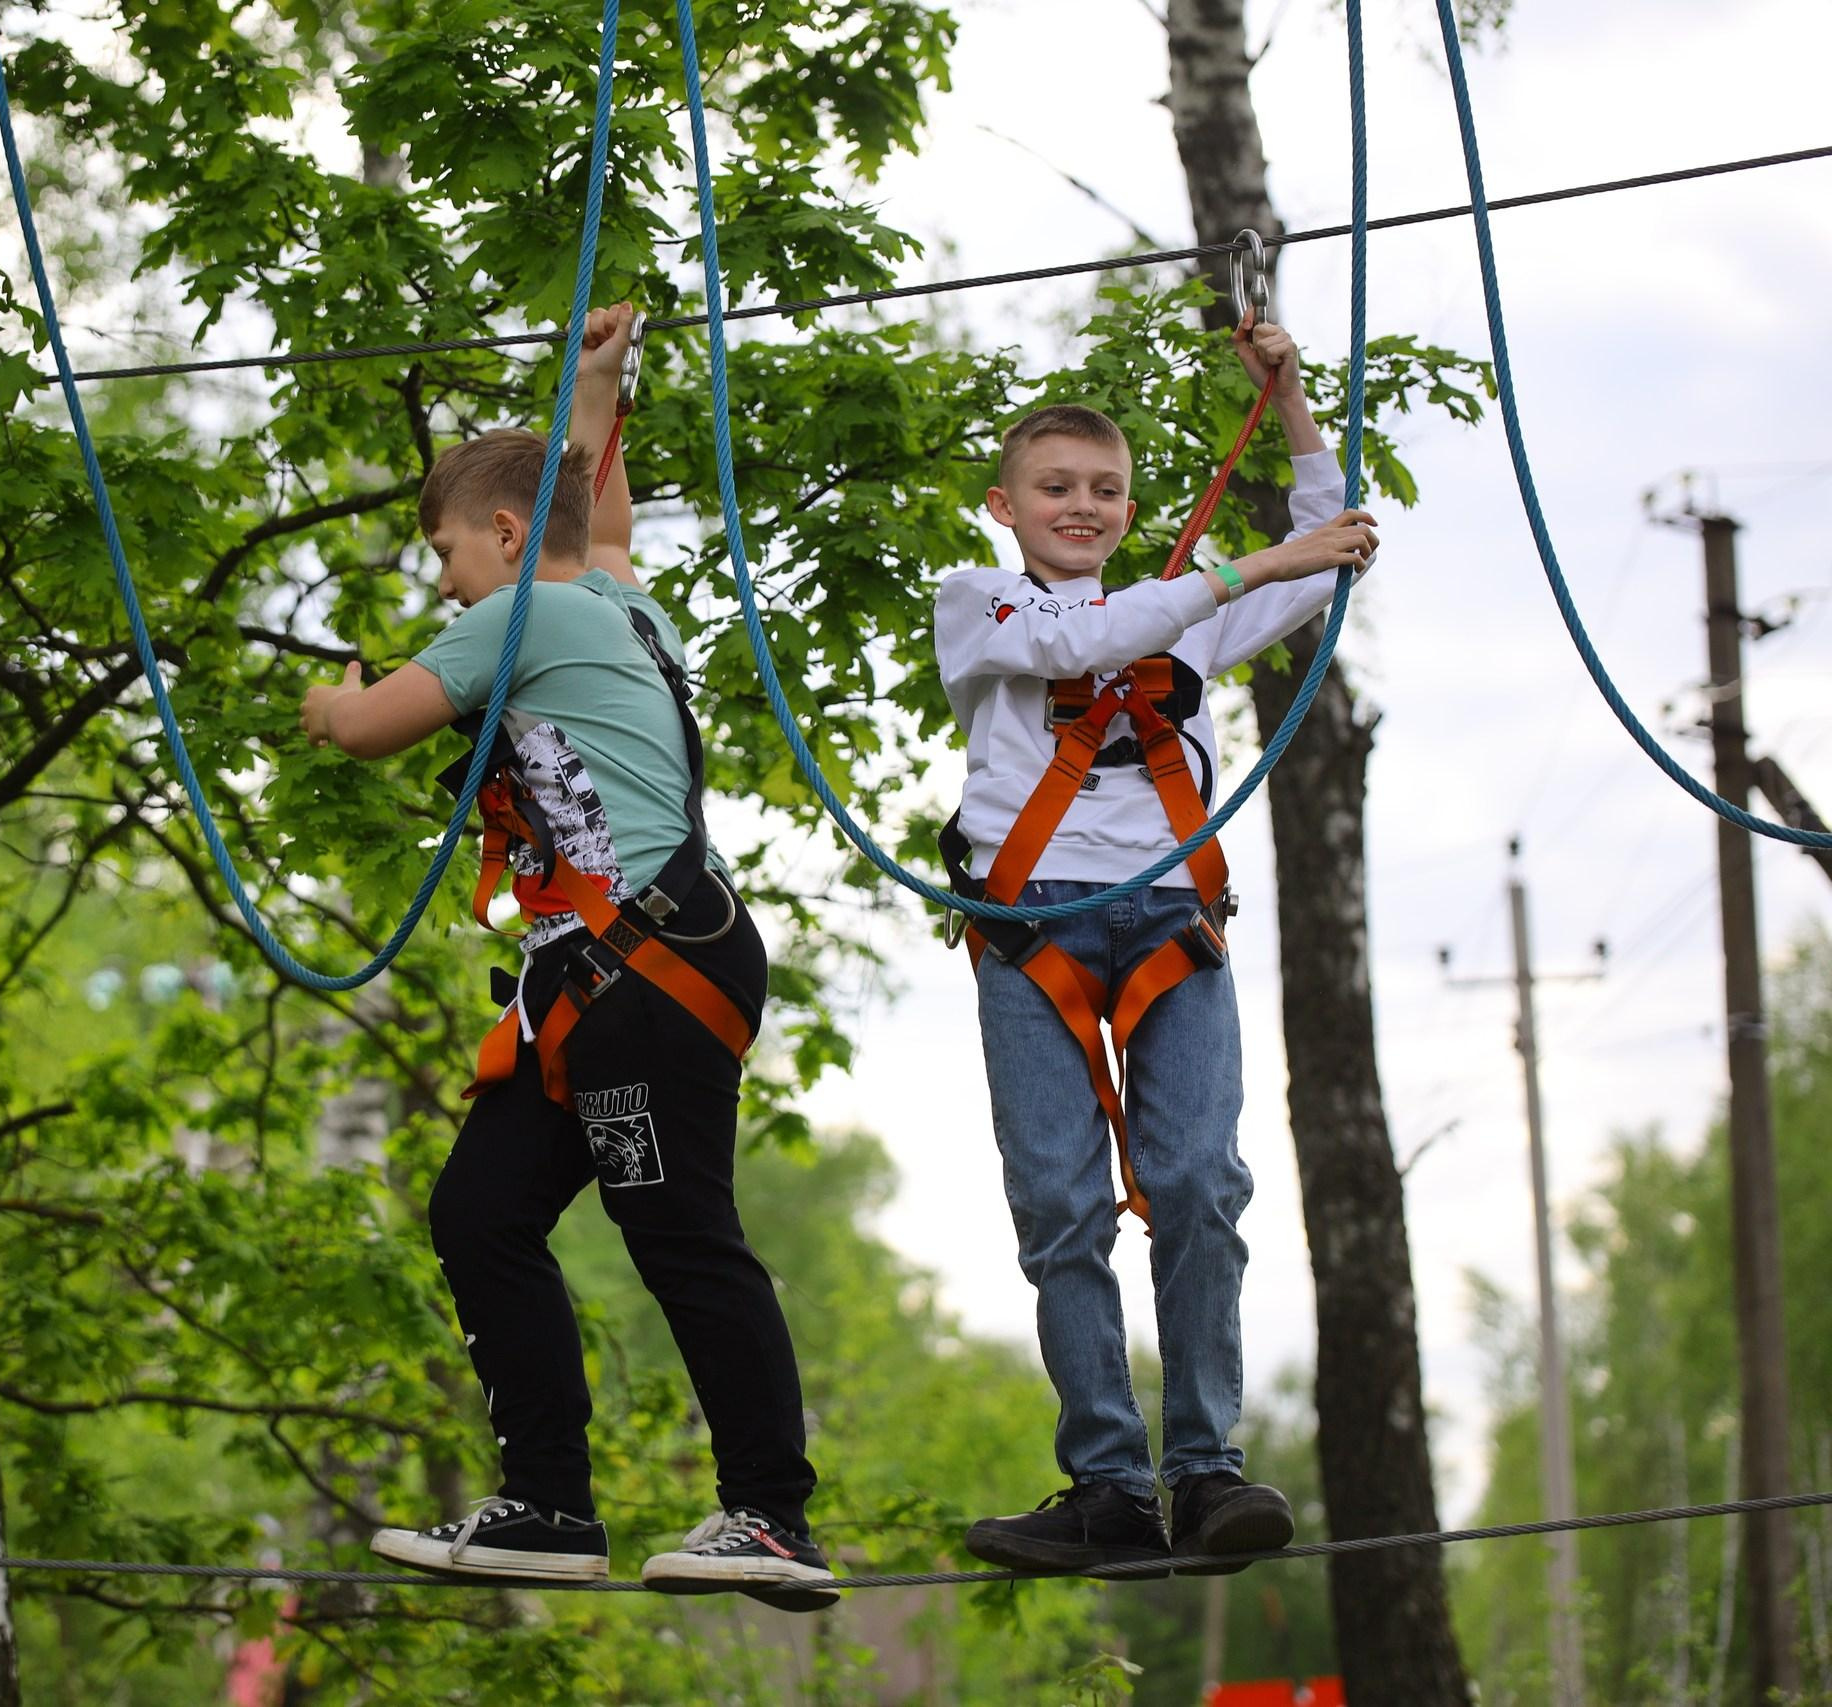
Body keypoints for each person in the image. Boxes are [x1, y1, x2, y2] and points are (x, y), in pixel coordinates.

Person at [301, 305, 837, 1611]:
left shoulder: (522, 611)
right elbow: (592, 510)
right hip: (606, 980)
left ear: (495, 536)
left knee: (678, 1230)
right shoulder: (608, 591)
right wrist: (597, 383)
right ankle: (547, 1501)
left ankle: (768, 1510)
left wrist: (322, 700)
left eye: (444, 553)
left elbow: (373, 726)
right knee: (479, 1214)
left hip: (639, 972)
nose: (441, 586)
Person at [938, 320, 1379, 1575]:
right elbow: (1078, 643)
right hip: (1036, 930)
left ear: (1130, 509)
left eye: (1104, 491)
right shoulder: (979, 603)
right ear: (1006, 505)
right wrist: (1244, 567)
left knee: (1196, 1184)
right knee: (1061, 1210)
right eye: (1055, 488)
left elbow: (1325, 564)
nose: (1081, 506)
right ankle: (1106, 1485)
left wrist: (1289, 407)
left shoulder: (1182, 613)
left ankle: (1202, 1470)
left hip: (1171, 921)